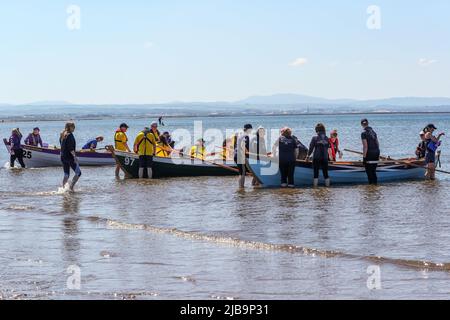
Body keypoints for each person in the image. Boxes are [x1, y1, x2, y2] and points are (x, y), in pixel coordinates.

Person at [60, 122, 81, 191]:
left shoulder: (62, 134)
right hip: (69, 157)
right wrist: (75, 157)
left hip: (63, 156)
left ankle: (63, 189)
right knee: (78, 173)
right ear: (70, 127)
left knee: (66, 174)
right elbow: (70, 148)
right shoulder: (70, 135)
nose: (74, 128)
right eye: (73, 127)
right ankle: (71, 187)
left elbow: (62, 145)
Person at [361, 119, 380, 185]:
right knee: (373, 171)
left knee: (369, 172)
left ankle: (371, 188)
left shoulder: (363, 133)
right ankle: (375, 186)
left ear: (362, 125)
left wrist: (364, 157)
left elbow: (365, 147)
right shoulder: (374, 132)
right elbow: (377, 144)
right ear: (368, 123)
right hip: (376, 152)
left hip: (370, 153)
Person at [234, 124, 253, 188]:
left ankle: (241, 187)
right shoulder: (245, 136)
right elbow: (243, 146)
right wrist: (248, 153)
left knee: (242, 172)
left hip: (237, 155)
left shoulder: (240, 135)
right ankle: (241, 187)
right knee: (242, 173)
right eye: (251, 129)